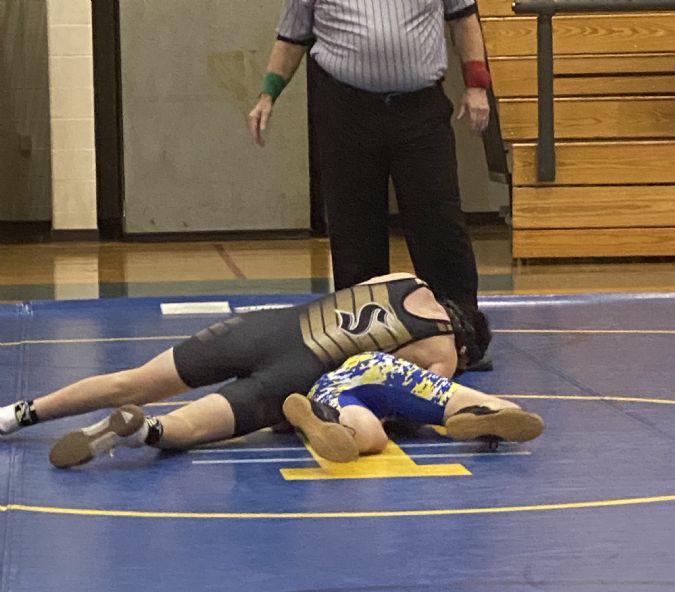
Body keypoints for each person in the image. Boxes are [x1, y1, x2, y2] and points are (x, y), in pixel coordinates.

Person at [0, 274, 491, 469]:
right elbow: (390, 392)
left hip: (268, 327)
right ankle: (143, 429)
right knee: (190, 425)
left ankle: (18, 413)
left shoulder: (406, 278)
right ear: (466, 346)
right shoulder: (445, 352)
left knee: (132, 381)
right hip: (300, 373)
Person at [248, 0, 491, 326]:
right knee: (354, 232)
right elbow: (292, 36)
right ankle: (363, 333)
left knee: (439, 224)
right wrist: (268, 94)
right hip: (346, 110)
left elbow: (464, 19)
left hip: (420, 109)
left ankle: (460, 329)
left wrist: (476, 85)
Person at [283, 351, 544, 463]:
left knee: (370, 435)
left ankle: (325, 417)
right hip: (391, 371)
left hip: (346, 375)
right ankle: (484, 410)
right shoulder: (447, 350)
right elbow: (438, 377)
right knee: (495, 404)